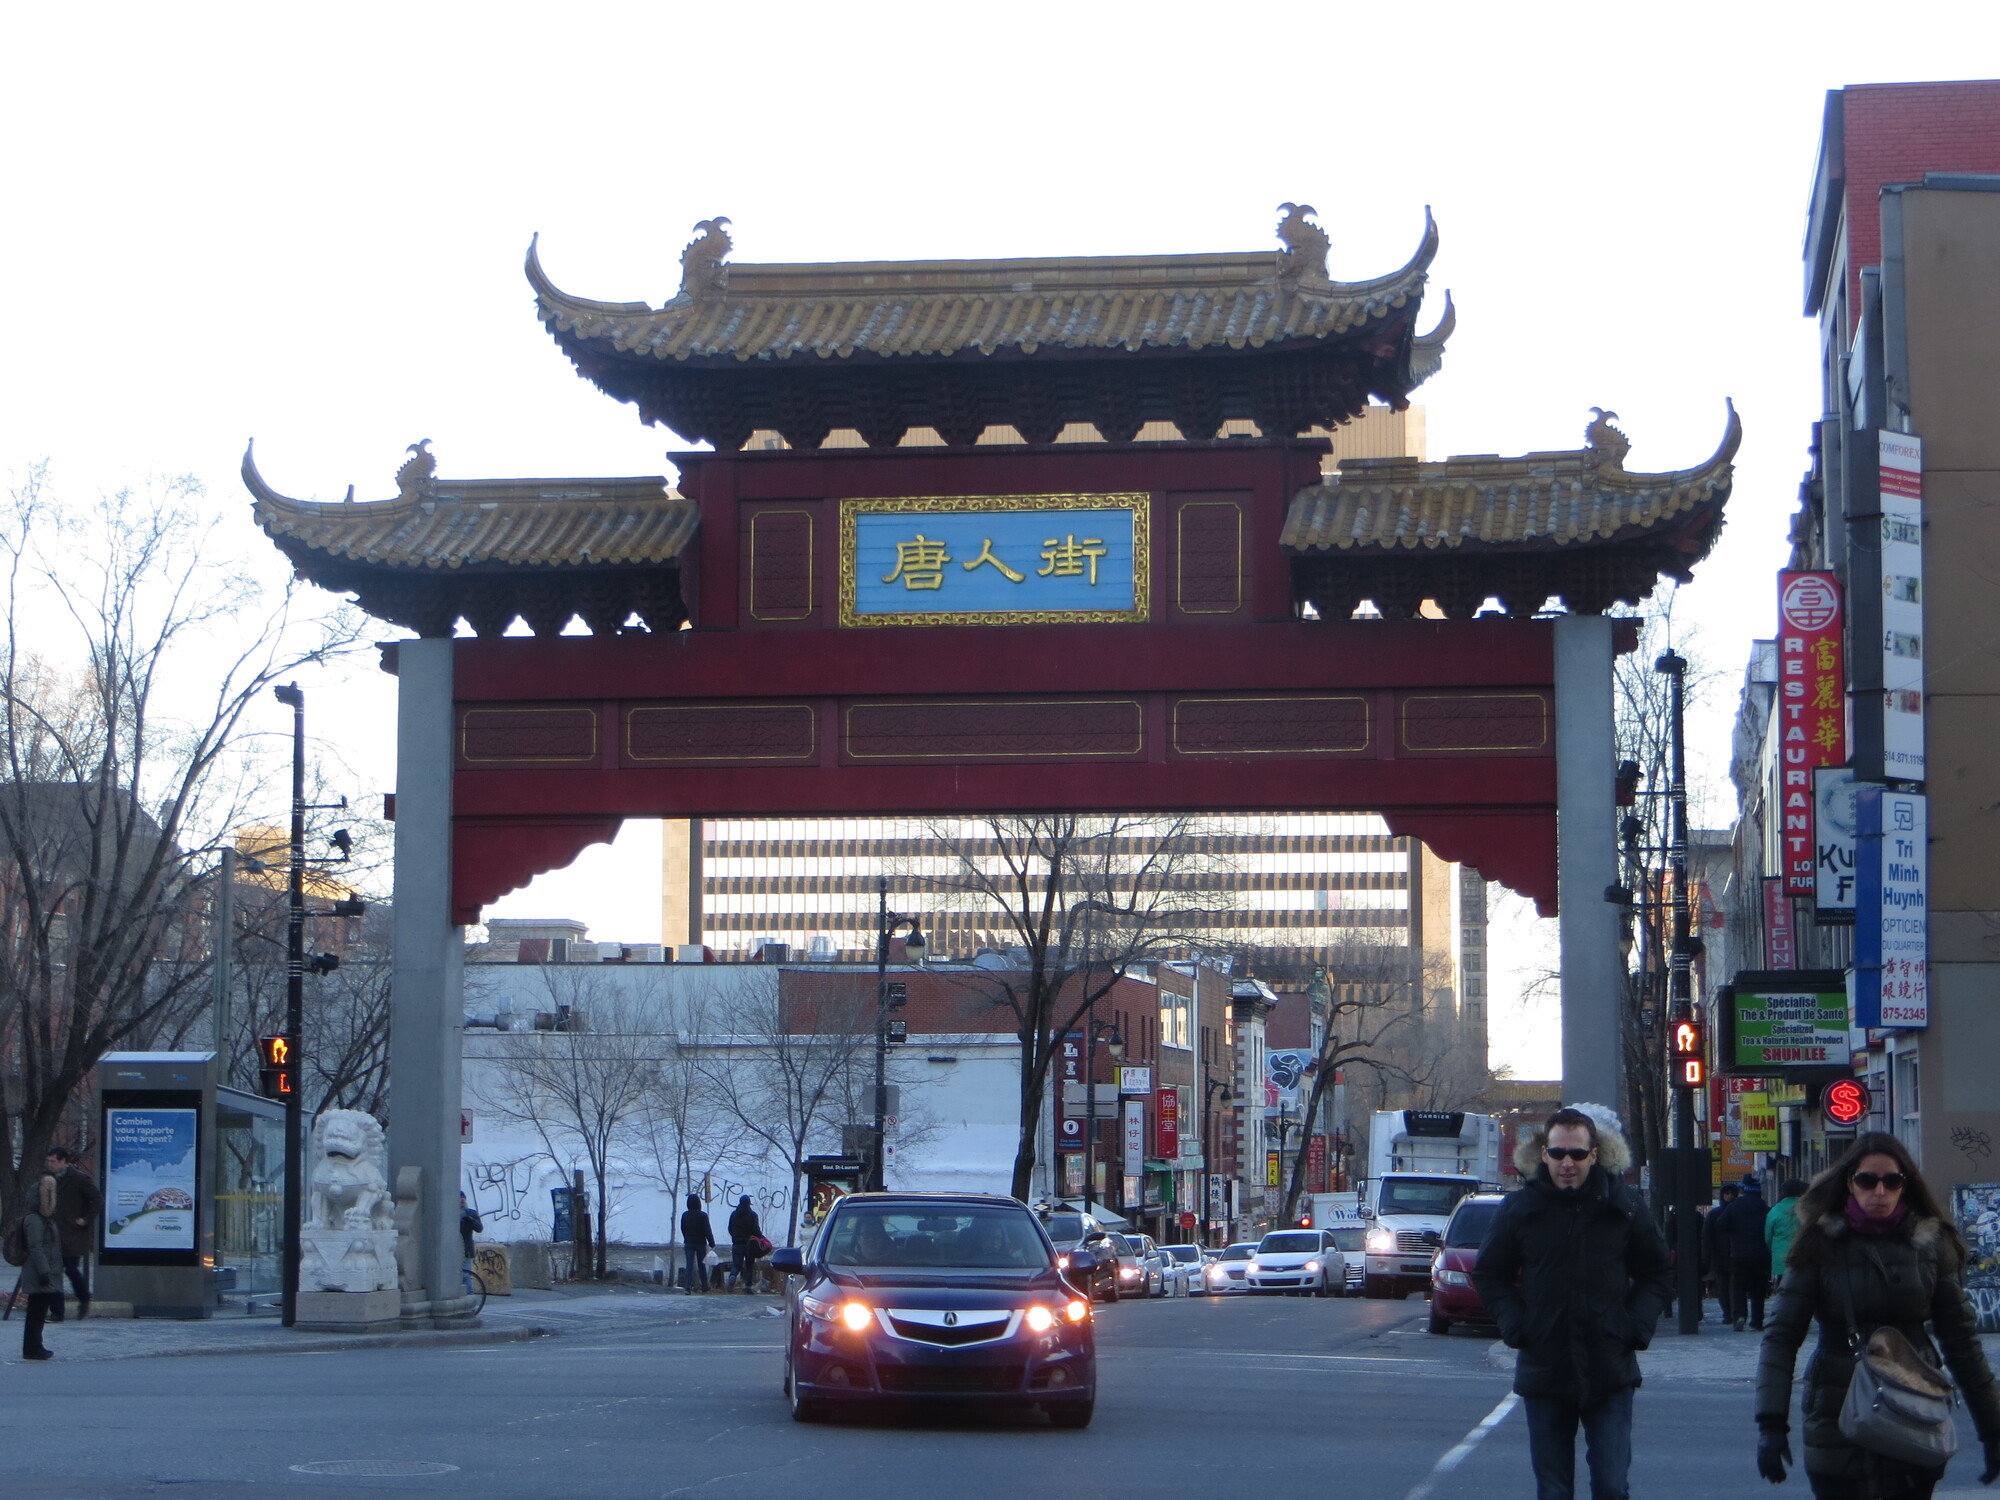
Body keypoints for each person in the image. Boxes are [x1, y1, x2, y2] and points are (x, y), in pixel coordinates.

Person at [1755, 1132, 2000, 1498]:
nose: (1880, 1192)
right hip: (1837, 1412)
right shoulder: (1819, 1243)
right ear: (1849, 1183)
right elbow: (1781, 1336)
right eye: (1868, 1180)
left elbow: (1962, 1341)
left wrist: (1992, 1430)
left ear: (1906, 1184)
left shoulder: (1931, 1245)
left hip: (1914, 1407)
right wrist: (1771, 1424)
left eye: (1892, 1181)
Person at [1473, 1105, 1672, 1500]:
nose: (1567, 1163)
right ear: (1543, 1154)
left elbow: (1657, 1271)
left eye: (1577, 1154)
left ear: (1594, 1155)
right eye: (1558, 1153)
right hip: (1546, 1367)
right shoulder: (1519, 1209)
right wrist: (1517, 1325)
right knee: (1554, 1490)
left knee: (1612, 1486)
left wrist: (1635, 1326)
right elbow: (1490, 1274)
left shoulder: (1624, 1206)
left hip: (1609, 1368)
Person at [43, 1146, 99, 1320]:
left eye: (53, 1161)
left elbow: (97, 1199)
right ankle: (57, 1312)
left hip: (73, 1234)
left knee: (71, 1269)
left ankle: (84, 1299)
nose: (50, 1164)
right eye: (48, 1161)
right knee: (54, 1272)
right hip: (53, 1233)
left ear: (63, 1161)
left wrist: (85, 1219)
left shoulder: (79, 1179)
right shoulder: (48, 1179)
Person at [1717, 1175, 1772, 1331]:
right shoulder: (1765, 1209)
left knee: (1739, 1288)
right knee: (1758, 1289)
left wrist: (1733, 1234)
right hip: (1760, 1254)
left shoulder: (1733, 1207)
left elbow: (1720, 1225)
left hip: (1739, 1254)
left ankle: (1739, 1316)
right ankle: (1757, 1320)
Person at [19, 1174, 65, 1360]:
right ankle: (32, 1348)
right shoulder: (34, 1219)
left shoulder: (45, 1219)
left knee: (38, 1312)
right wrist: (45, 1271)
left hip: (45, 1270)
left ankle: (35, 1346)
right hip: (39, 1272)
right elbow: (35, 1247)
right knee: (36, 1313)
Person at [1707, 1182, 1742, 1324]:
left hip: (1734, 1255)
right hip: (1721, 1256)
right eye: (1727, 1193)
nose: (1729, 1196)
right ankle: (1728, 1313)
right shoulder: (1715, 1214)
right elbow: (1707, 1236)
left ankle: (1732, 1313)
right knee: (1723, 1287)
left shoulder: (1732, 1213)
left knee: (1732, 1286)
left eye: (1732, 1194)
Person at [1765, 1178, 1808, 1287]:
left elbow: (1768, 1237)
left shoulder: (1774, 1211)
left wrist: (1773, 1249)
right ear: (1801, 1191)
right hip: (1803, 1255)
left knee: (1782, 1288)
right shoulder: (1807, 1209)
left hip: (1780, 1257)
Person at [727, 1195, 763, 1295]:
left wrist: (735, 1237)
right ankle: (747, 1287)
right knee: (749, 1266)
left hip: (737, 1243)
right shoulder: (753, 1215)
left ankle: (732, 1276)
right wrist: (761, 1238)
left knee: (736, 1265)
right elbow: (756, 1230)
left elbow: (730, 1228)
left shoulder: (734, 1214)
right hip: (749, 1244)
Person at [680, 1193, 715, 1293]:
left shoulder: (685, 1215)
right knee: (702, 1265)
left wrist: (686, 1237)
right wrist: (711, 1242)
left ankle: (687, 1287)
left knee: (689, 1265)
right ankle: (705, 1286)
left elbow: (683, 1228)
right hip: (700, 1243)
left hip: (689, 1242)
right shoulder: (703, 1215)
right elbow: (707, 1230)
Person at [458, 1192, 484, 1275]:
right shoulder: (450, 1214)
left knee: (466, 1275)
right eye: (460, 1197)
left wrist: (471, 1220)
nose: (462, 1199)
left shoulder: (471, 1213)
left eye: (463, 1198)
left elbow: (479, 1228)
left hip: (466, 1251)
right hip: (453, 1250)